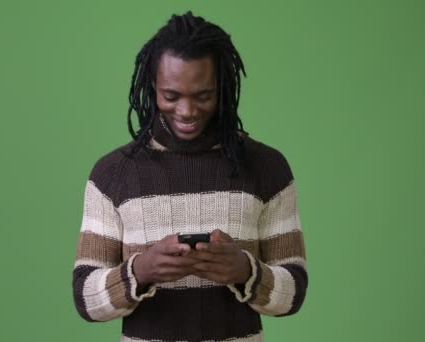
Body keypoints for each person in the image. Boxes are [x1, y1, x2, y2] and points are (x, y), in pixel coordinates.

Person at [72, 11, 308, 342]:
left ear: (223, 87)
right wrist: (142, 271)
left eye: (203, 96)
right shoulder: (113, 174)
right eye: (171, 96)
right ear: (153, 86)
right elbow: (85, 299)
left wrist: (245, 271)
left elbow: (294, 293)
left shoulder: (266, 167)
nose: (186, 111)